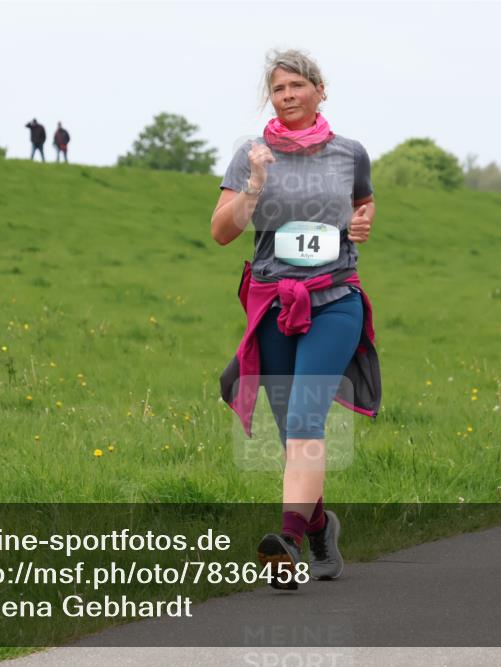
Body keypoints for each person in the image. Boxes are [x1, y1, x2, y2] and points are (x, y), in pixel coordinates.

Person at [213, 49, 381, 591]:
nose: (288, 96)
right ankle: (319, 528)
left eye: (297, 86)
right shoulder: (250, 154)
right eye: (279, 88)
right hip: (272, 302)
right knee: (291, 433)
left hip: (334, 298)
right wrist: (256, 183)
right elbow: (221, 231)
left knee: (307, 420)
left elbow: (364, 203)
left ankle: (285, 539)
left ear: (319, 90)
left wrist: (362, 223)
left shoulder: (350, 153)